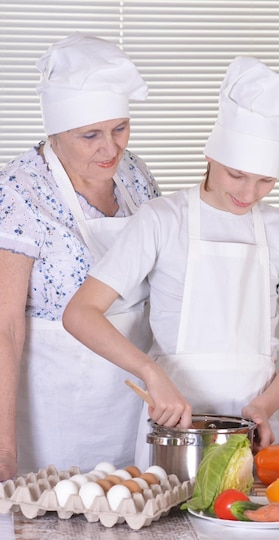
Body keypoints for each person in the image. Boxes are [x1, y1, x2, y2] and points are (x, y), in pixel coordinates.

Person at [62, 56, 279, 468]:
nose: (249, 193)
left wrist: (264, 407)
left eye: (265, 180)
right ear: (211, 154)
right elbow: (80, 314)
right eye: (236, 174)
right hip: (172, 432)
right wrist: (152, 375)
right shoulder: (163, 220)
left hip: (250, 432)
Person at [0, 33, 160, 480]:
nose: (110, 149)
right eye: (90, 135)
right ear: (55, 130)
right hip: (57, 413)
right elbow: (5, 328)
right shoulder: (21, 189)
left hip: (134, 400)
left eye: (119, 129)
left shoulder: (135, 174)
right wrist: (4, 450)